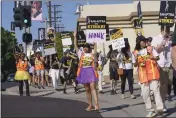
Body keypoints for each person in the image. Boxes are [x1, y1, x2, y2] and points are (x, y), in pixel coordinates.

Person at [135, 38, 164, 117]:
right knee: (145, 94)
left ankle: (160, 108)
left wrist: (151, 57)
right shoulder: (136, 52)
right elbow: (134, 65)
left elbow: (157, 57)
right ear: (138, 42)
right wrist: (136, 59)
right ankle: (151, 110)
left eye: (145, 41)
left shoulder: (151, 48)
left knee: (156, 91)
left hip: (153, 73)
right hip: (143, 75)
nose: (144, 42)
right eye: (142, 41)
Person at [151, 26, 173, 111]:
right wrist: (161, 43)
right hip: (160, 65)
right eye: (166, 29)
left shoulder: (170, 39)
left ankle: (161, 100)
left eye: (168, 29)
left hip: (169, 64)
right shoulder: (156, 38)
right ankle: (161, 103)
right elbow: (154, 51)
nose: (168, 31)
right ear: (162, 29)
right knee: (162, 85)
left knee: (168, 84)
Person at [76, 43, 99, 111]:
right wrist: (75, 37)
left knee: (93, 87)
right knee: (87, 89)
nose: (85, 48)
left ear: (89, 48)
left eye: (86, 47)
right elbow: (76, 46)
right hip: (83, 72)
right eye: (84, 47)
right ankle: (90, 105)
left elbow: (95, 52)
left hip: (91, 71)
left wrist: (95, 45)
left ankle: (96, 104)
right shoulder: (81, 54)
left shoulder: (92, 54)